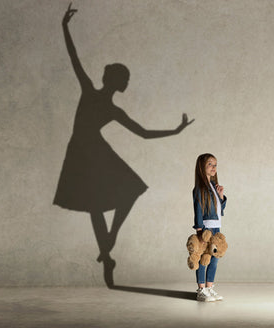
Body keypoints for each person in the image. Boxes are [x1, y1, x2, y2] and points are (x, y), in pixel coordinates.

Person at [53, 3, 194, 288]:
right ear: (114, 79)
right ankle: (107, 254)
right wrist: (65, 27)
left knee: (129, 190)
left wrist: (176, 131)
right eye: (125, 78)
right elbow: (74, 58)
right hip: (84, 153)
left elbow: (142, 133)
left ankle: (109, 243)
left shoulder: (112, 109)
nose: (127, 81)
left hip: (94, 152)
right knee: (95, 204)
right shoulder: (90, 92)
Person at [192, 153, 227, 302]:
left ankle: (209, 287)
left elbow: (219, 210)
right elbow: (198, 209)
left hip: (216, 227)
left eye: (215, 165)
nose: (214, 167)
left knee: (215, 259)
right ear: (202, 167)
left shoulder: (213, 186)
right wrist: (200, 231)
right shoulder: (199, 188)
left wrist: (221, 197)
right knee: (203, 258)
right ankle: (201, 290)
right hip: (206, 228)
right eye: (210, 164)